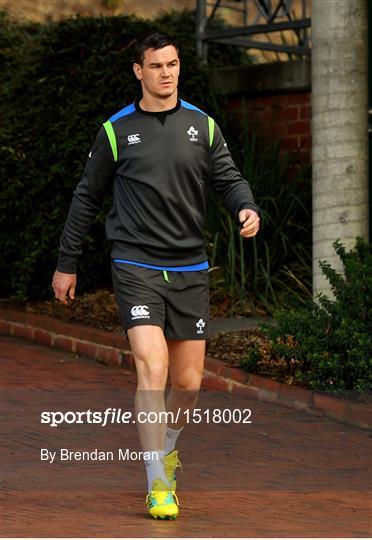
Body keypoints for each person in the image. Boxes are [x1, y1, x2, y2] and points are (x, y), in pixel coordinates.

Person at [52, 32, 260, 520]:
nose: (167, 73)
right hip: (135, 264)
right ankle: (157, 480)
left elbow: (228, 178)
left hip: (190, 267)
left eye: (173, 64)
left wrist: (246, 206)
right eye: (157, 65)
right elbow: (87, 196)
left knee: (188, 382)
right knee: (153, 367)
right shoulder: (116, 130)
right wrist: (67, 262)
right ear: (137, 71)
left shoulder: (202, 126)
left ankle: (167, 446)